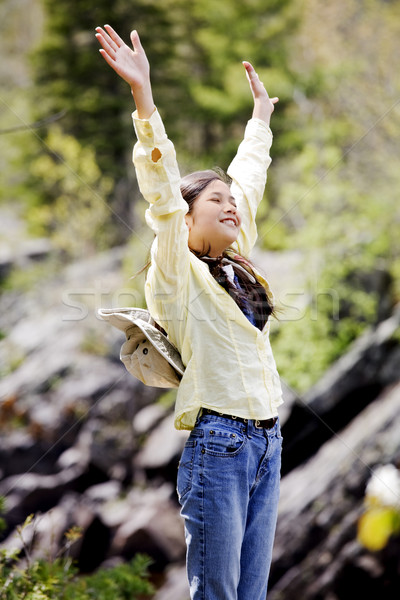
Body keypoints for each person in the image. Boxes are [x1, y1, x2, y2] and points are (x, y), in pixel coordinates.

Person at [95, 24, 284, 600]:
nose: (231, 206)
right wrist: (143, 98)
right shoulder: (176, 269)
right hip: (220, 446)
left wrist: (260, 122)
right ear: (188, 218)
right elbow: (159, 190)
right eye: (215, 200)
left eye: (231, 203)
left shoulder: (235, 257)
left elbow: (248, 178)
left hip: (267, 443)